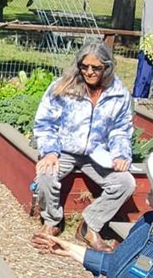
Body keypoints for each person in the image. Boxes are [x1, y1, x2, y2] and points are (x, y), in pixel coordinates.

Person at [33, 39, 135, 252]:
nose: (89, 72)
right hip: (64, 150)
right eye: (84, 66)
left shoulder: (119, 93)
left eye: (96, 68)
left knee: (126, 183)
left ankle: (90, 225)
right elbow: (45, 122)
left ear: (107, 67)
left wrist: (120, 154)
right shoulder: (63, 87)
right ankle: (52, 222)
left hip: (98, 153)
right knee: (45, 174)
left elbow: (121, 128)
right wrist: (50, 152)